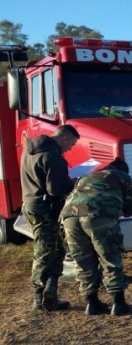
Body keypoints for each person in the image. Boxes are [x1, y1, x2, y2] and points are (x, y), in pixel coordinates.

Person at [61, 158, 132, 316]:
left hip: (69, 216)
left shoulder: (87, 176)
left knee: (83, 260)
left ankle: (91, 303)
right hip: (98, 215)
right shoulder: (122, 176)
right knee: (109, 258)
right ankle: (118, 304)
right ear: (123, 170)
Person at [20, 125, 80, 311]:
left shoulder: (30, 151)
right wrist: (76, 184)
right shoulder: (52, 156)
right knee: (45, 252)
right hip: (45, 208)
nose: (70, 148)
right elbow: (56, 189)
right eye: (71, 144)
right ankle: (40, 297)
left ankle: (49, 291)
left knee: (56, 250)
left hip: (31, 205)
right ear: (64, 139)